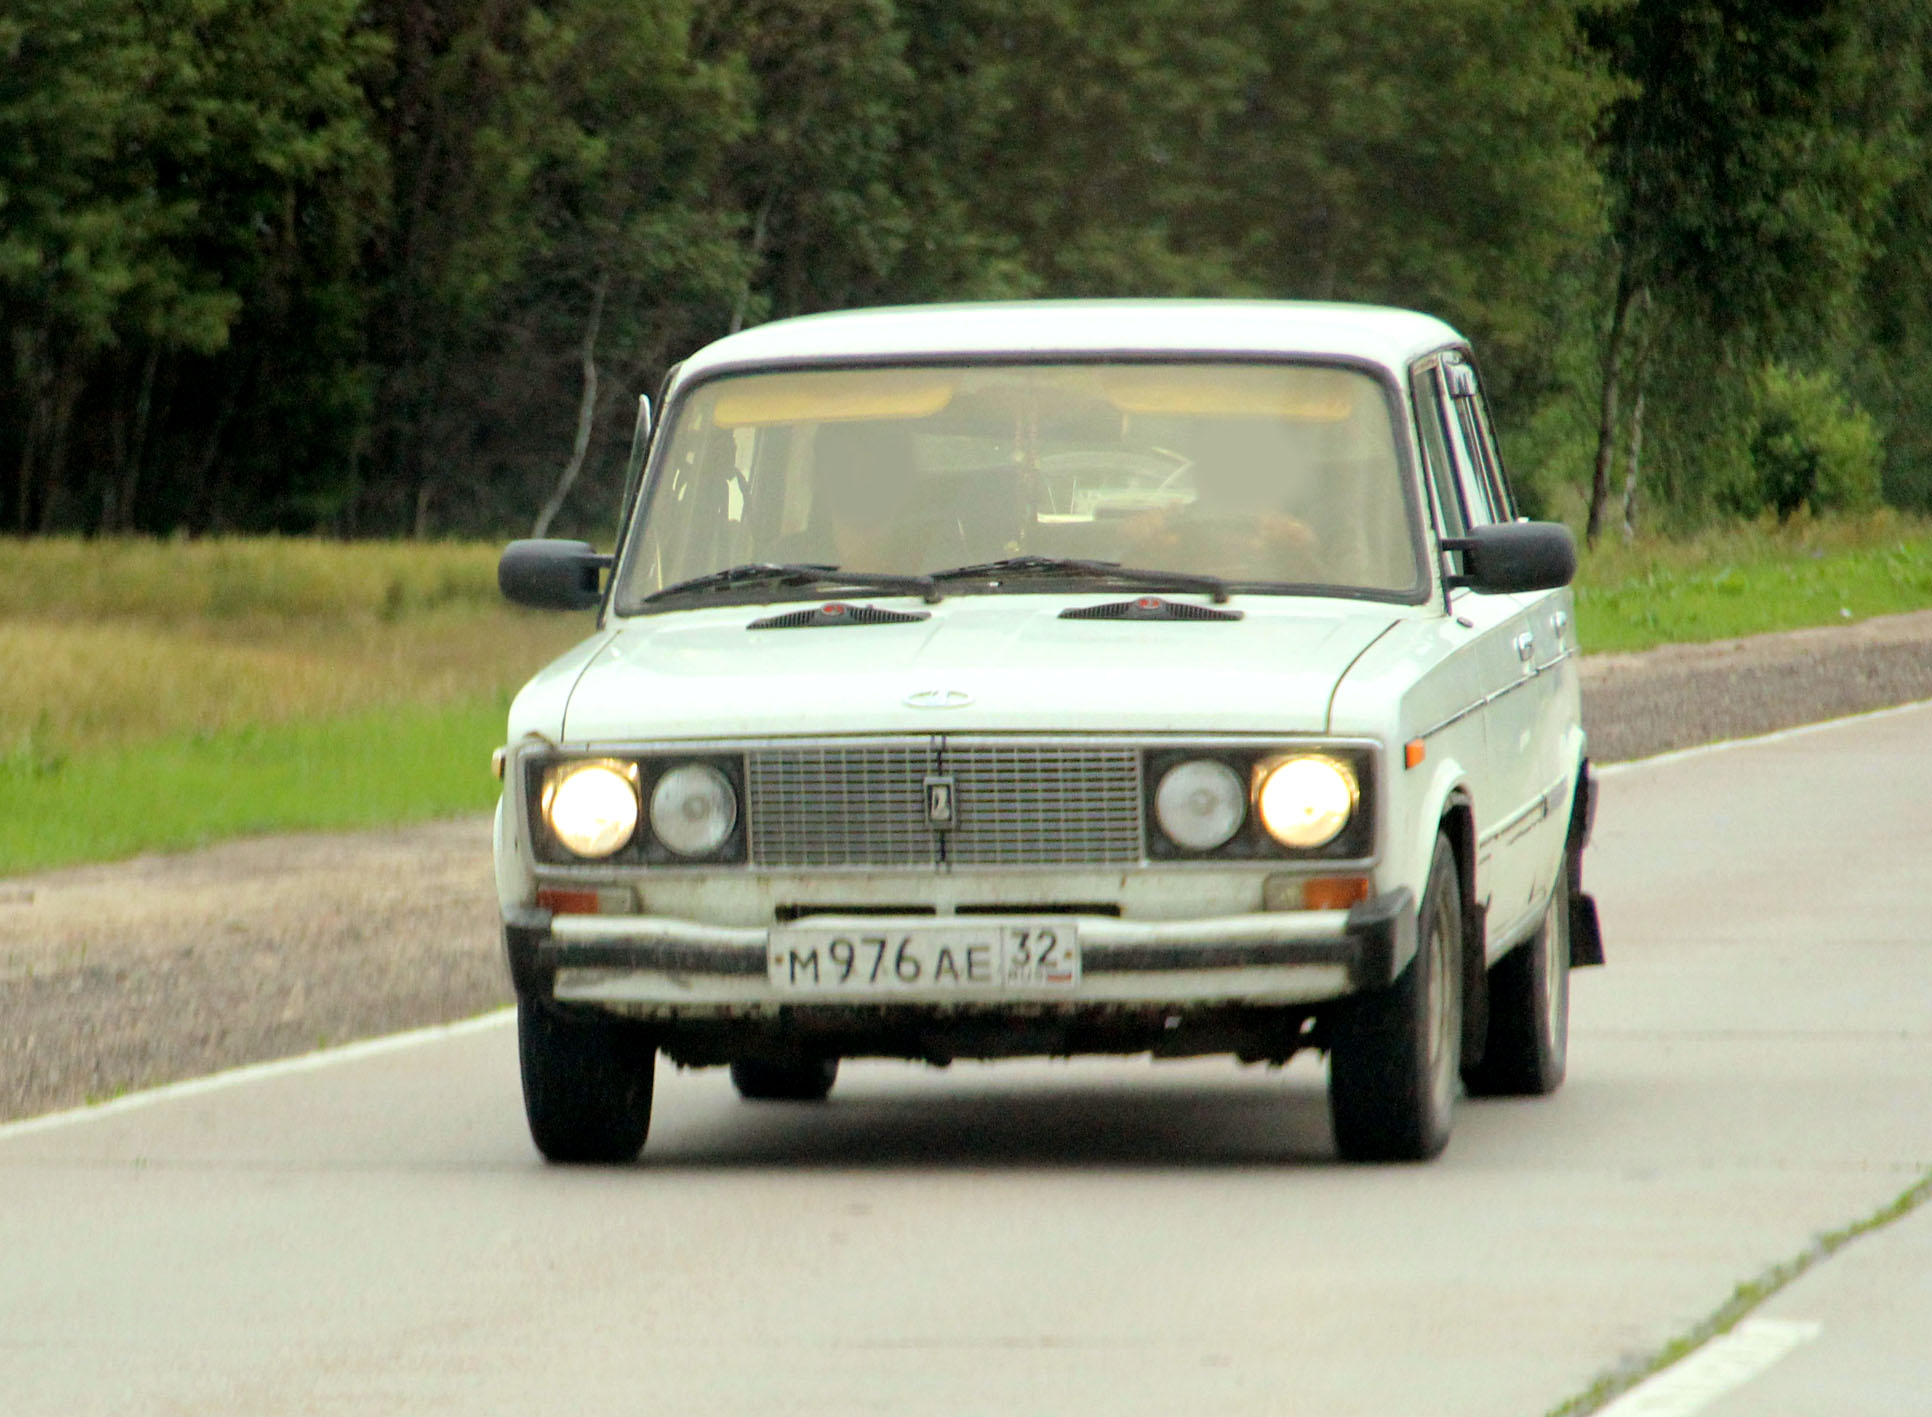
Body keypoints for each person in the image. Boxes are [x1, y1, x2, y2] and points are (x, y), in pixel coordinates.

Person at [1121, 421, 1323, 582]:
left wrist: (1296, 550)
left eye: (1244, 463)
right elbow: (1134, 595)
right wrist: (1147, 543)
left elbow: (1322, 604)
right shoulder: (1170, 531)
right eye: (1219, 463)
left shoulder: (1282, 536)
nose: (1231, 475)